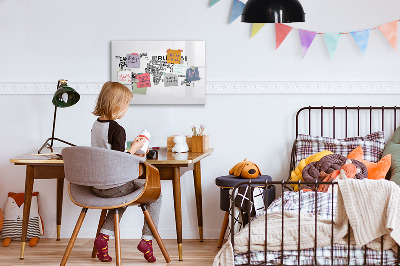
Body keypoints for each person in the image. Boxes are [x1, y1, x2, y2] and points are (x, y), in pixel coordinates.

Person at [91, 81, 161, 263]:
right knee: (156, 194)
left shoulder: (96, 125)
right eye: (127, 105)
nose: (127, 109)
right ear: (117, 105)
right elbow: (118, 161)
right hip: (114, 186)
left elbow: (108, 154)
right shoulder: (117, 129)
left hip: (97, 186)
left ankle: (103, 238)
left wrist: (130, 149)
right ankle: (147, 240)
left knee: (121, 198)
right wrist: (135, 149)